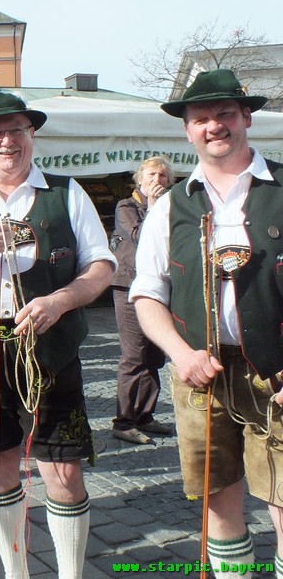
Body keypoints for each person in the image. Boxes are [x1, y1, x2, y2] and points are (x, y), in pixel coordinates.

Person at [0, 92, 116, 579]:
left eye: (16, 129)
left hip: (48, 346)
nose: (6, 141)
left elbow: (102, 267)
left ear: (31, 134)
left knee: (63, 469)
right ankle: (15, 574)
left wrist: (60, 301)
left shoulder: (66, 192)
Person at [131, 68, 283, 577]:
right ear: (187, 130)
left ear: (246, 118)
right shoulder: (169, 206)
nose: (214, 125)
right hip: (202, 375)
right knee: (218, 502)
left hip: (278, 374)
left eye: (224, 114)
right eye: (201, 119)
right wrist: (179, 353)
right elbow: (147, 293)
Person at [110, 156, 173, 445]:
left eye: (162, 176)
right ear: (139, 179)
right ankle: (123, 422)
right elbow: (139, 235)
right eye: (151, 175)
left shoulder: (169, 206)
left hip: (160, 288)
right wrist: (153, 206)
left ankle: (144, 415)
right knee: (134, 357)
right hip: (129, 288)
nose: (157, 181)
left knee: (154, 357)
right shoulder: (126, 207)